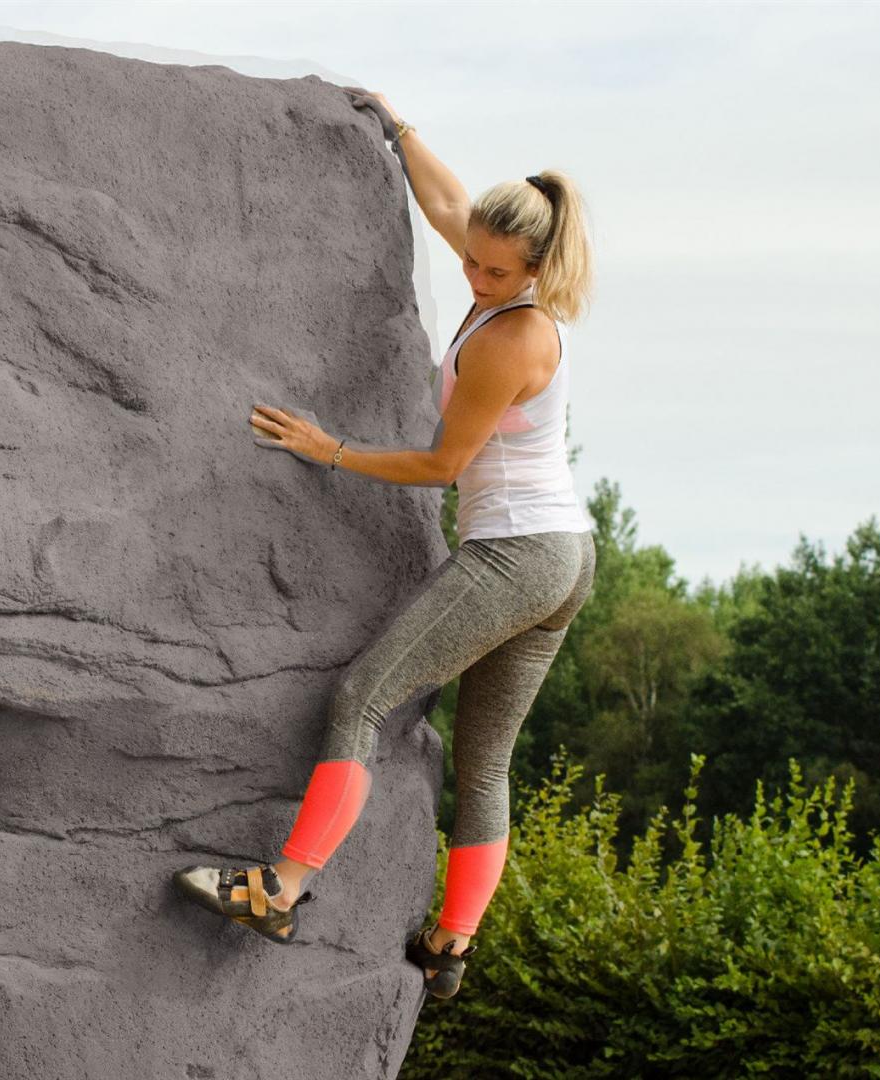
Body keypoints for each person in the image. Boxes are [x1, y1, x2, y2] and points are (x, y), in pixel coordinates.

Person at [173, 88, 597, 1002]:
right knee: (485, 763)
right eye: (472, 261)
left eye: (492, 271)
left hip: (517, 558)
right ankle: (450, 947)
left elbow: (446, 467)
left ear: (534, 267)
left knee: (363, 695)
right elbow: (449, 206)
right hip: (563, 554)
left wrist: (331, 450)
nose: (474, 277)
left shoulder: (513, 338)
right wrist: (399, 130)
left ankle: (281, 889)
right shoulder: (502, 272)